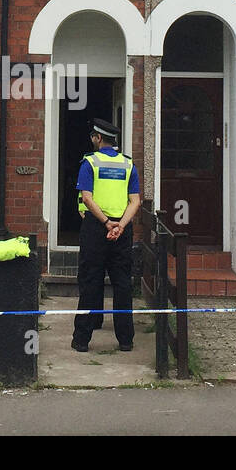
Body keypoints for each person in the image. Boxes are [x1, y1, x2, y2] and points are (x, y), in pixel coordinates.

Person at [72, 118, 141, 352]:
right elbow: (135, 201)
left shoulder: (89, 163)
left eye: (93, 136)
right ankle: (126, 340)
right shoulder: (129, 165)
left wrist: (106, 223)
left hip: (96, 227)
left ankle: (82, 340)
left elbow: (87, 197)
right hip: (122, 229)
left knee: (91, 280)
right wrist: (120, 225)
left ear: (98, 138)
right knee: (122, 283)